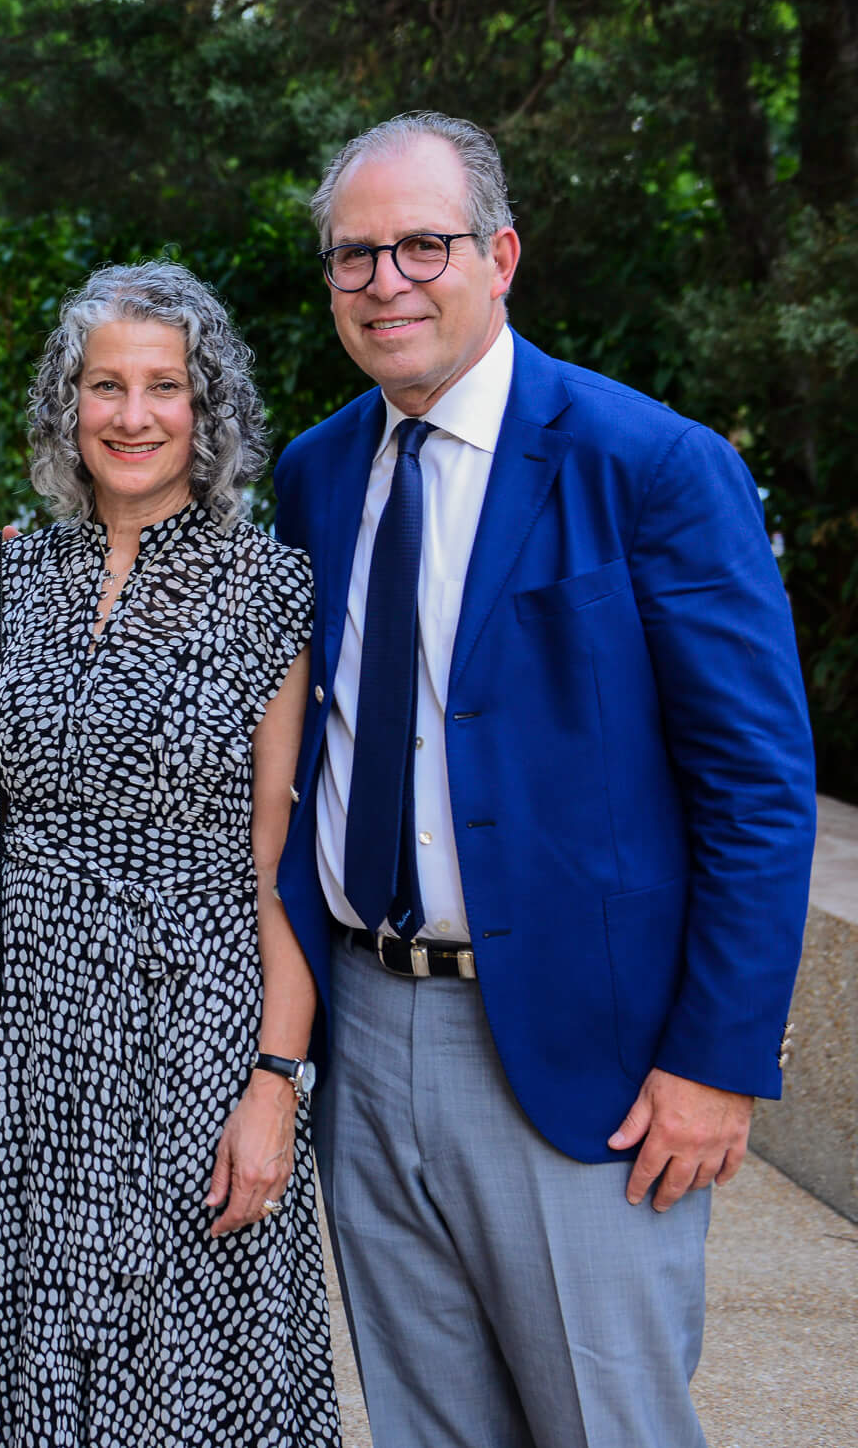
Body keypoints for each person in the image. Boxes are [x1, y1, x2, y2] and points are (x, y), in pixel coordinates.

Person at [273, 111, 815, 1447]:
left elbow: (757, 785)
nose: (388, 280)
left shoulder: (652, 466)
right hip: (365, 1021)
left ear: (500, 254)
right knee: (431, 1425)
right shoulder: (316, 474)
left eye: (423, 245)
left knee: (608, 1422)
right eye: (356, 256)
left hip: (587, 1058)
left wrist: (713, 1060)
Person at [0, 262, 338, 1445]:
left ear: (205, 407)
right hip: (31, 1056)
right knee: (22, 1365)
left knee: (185, 1377)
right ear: (66, 406)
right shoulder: (7, 580)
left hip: (192, 1041)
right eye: (104, 385)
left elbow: (280, 868)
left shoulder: (269, 588)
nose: (132, 414)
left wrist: (275, 1087)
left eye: (164, 387)